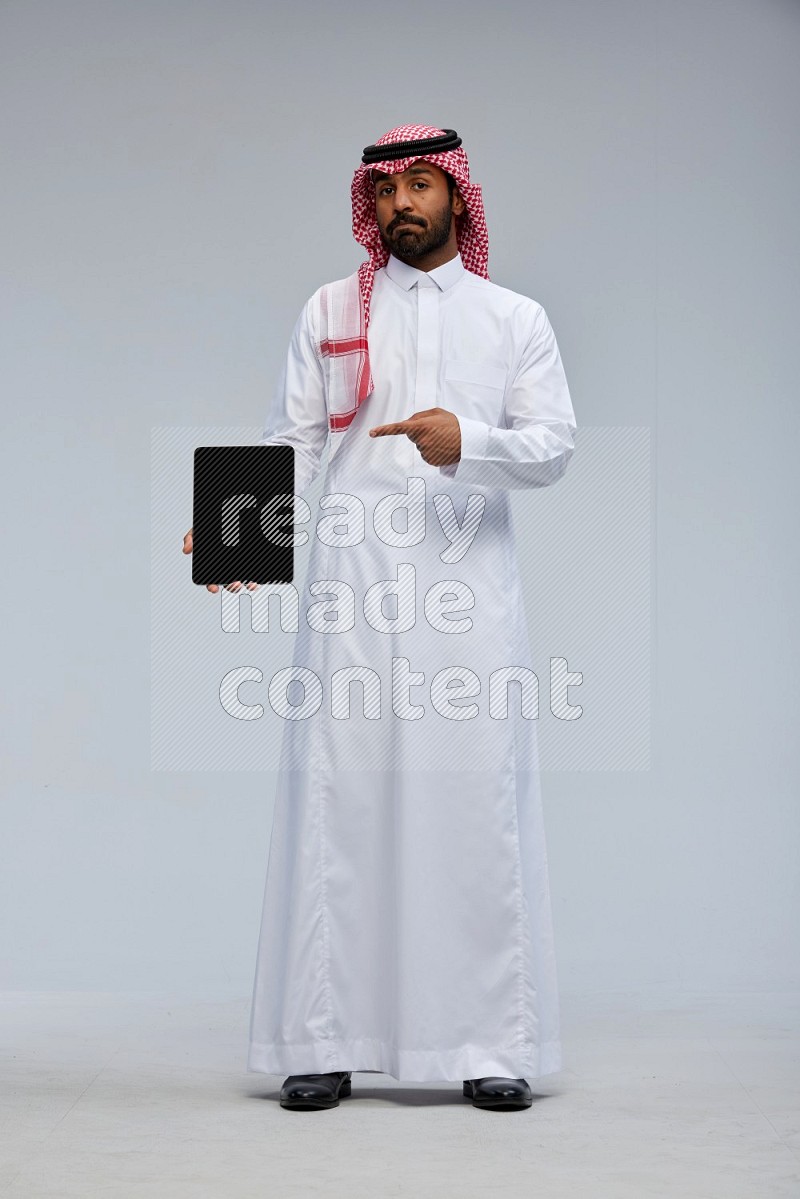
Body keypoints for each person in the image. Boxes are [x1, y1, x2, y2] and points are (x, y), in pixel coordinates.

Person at [183, 124, 577, 1112]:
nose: (403, 204)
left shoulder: (513, 318)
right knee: (339, 805)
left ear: (454, 196)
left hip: (466, 605)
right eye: (386, 189)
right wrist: (235, 534)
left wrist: (465, 438)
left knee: (470, 805)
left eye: (420, 185)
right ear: (369, 202)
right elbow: (295, 440)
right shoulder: (328, 308)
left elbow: (551, 447)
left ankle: (489, 1041)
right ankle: (323, 1039)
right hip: (350, 592)